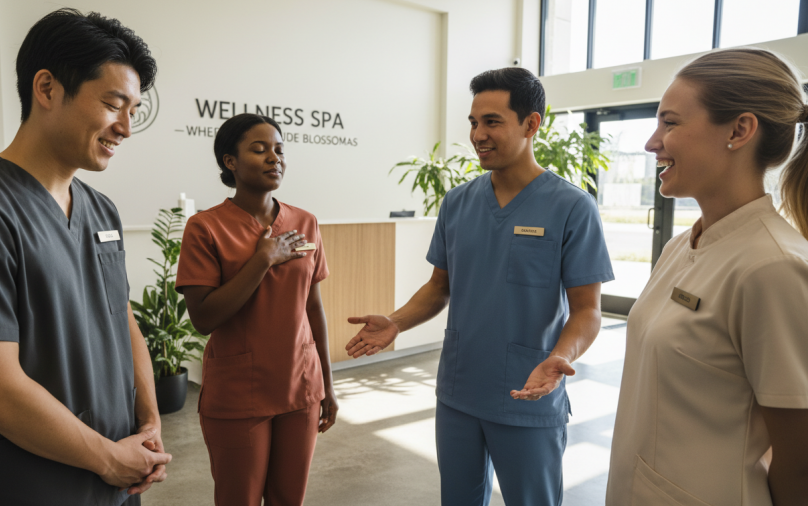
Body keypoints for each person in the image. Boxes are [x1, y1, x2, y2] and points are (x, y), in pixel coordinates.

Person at [0, 9, 170, 506]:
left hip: (118, 471)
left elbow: (124, 317)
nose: (126, 128)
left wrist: (149, 422)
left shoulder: (100, 209)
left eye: (134, 110)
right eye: (114, 104)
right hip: (31, 484)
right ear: (46, 89)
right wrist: (108, 459)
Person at [346, 67, 614, 505]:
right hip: (459, 390)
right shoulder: (458, 202)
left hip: (527, 392)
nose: (477, 134)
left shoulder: (572, 207)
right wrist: (396, 322)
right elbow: (439, 287)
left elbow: (588, 309)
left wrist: (560, 357)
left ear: (531, 124)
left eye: (492, 121)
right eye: (473, 122)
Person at [606, 48, 808, 506]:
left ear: (739, 130)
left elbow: (799, 461)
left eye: (670, 123)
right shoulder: (682, 246)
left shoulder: (775, 267)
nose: (651, 142)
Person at [175, 113, 338, 506]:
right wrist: (262, 260)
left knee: (289, 498)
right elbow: (204, 318)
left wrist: (328, 385)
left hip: (300, 385)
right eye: (260, 148)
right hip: (238, 391)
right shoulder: (206, 228)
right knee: (239, 499)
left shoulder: (304, 222)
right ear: (230, 161)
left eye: (280, 149)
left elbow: (312, 307)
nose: (274, 158)